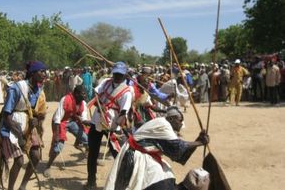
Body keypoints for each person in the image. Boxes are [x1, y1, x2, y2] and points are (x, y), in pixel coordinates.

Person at [104, 106, 210, 190]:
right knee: (141, 180)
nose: (181, 124)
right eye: (180, 120)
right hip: (135, 155)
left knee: (161, 174)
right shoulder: (163, 125)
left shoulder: (163, 124)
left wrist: (198, 140)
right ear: (171, 118)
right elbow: (178, 146)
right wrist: (200, 142)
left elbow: (178, 155)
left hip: (143, 154)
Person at [0, 61, 48, 190]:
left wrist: (36, 119)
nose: (44, 74)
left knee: (35, 157)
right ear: (32, 73)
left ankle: (23, 186)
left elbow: (36, 112)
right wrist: (20, 137)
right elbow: (7, 115)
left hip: (28, 127)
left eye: (45, 71)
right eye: (41, 71)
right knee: (19, 161)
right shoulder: (17, 88)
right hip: (11, 126)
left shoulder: (38, 90)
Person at [85, 61, 133, 189]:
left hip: (112, 127)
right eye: (116, 73)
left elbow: (123, 113)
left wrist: (116, 123)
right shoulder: (105, 82)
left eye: (120, 74)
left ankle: (121, 185)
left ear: (125, 75)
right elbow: (95, 94)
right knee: (92, 154)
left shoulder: (127, 92)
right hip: (97, 122)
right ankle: (91, 182)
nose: (117, 76)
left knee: (119, 156)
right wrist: (100, 106)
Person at [43, 85, 90, 177]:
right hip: (61, 122)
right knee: (58, 147)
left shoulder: (83, 103)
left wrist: (92, 123)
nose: (85, 96)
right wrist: (56, 135)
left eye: (85, 94)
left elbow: (83, 119)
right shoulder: (65, 99)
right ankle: (48, 165)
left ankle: (91, 158)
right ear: (76, 94)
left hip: (72, 122)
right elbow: (57, 118)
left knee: (87, 139)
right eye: (83, 94)